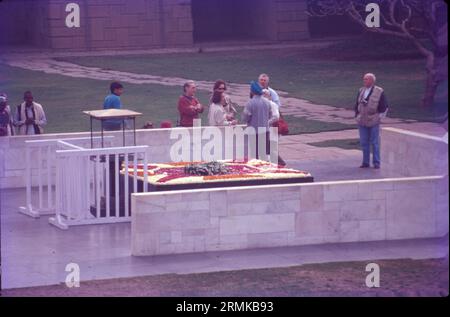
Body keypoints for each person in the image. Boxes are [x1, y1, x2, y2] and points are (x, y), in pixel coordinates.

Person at [355, 73, 389, 169]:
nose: (364, 81)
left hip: (373, 120)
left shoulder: (379, 91)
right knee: (364, 142)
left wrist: (379, 117)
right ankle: (365, 162)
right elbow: (356, 104)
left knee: (375, 142)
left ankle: (376, 162)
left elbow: (384, 106)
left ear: (372, 81)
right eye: (364, 79)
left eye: (366, 79)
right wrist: (356, 115)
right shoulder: (361, 90)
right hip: (362, 120)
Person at [242, 81, 273, 160]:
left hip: (253, 131)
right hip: (265, 131)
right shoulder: (267, 102)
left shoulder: (250, 103)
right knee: (263, 154)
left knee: (254, 154)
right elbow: (270, 115)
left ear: (252, 91)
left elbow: (245, 117)